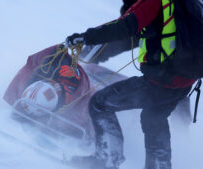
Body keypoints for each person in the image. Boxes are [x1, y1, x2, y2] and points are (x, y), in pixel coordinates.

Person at [65, 0, 197, 169]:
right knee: (154, 117)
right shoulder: (189, 5)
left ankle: (106, 161)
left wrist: (86, 38)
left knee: (100, 103)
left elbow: (124, 27)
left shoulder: (153, 2)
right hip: (183, 84)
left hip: (160, 81)